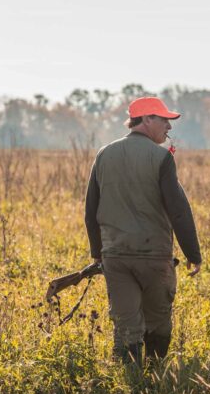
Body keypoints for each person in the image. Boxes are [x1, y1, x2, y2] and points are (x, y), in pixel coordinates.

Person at [85, 96, 202, 366]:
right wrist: (193, 254)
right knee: (158, 322)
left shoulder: (104, 154)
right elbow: (179, 210)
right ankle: (154, 376)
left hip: (115, 257)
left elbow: (90, 210)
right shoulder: (161, 157)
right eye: (164, 120)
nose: (169, 128)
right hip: (154, 258)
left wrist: (98, 254)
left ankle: (130, 382)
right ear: (147, 119)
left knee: (125, 324)